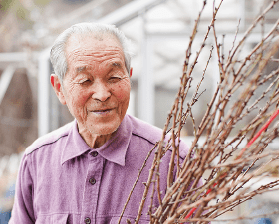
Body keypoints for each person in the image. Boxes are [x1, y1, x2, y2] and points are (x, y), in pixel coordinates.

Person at [9, 23, 199, 223]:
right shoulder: (37, 161)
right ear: (59, 89)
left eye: (114, 77)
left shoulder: (173, 161)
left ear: (129, 77)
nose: (102, 94)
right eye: (85, 81)